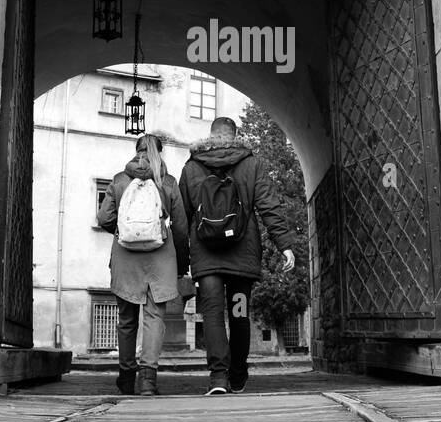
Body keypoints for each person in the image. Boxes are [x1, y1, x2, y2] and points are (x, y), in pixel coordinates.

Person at [179, 116, 296, 396]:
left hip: (207, 260)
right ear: (235, 135)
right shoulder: (251, 164)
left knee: (212, 315)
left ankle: (218, 378)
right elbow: (269, 206)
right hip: (242, 257)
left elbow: (181, 218)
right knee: (239, 313)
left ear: (210, 135)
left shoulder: (192, 167)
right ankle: (238, 375)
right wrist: (285, 244)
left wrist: (181, 261)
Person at [97, 133, 189, 396]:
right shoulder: (168, 182)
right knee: (154, 318)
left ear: (136, 151)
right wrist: (181, 263)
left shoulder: (119, 180)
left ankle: (126, 379)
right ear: (160, 153)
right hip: (160, 259)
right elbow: (180, 228)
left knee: (127, 319)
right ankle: (148, 381)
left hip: (125, 257)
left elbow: (104, 217)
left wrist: (125, 230)